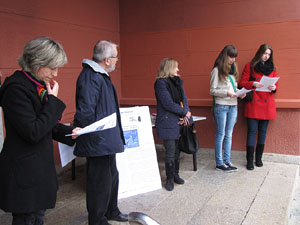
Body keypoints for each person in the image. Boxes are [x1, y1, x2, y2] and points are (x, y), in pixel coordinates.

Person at [0, 36, 80, 225]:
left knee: (37, 218)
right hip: (24, 173)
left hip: (37, 170)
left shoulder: (36, 85)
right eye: (52, 68)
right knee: (27, 219)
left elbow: (46, 125)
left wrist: (70, 133)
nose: (56, 74)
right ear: (36, 63)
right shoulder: (16, 89)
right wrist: (52, 101)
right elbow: (33, 131)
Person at [73, 40, 128, 225]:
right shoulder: (91, 77)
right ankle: (97, 219)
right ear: (106, 59)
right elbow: (85, 111)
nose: (116, 61)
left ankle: (112, 211)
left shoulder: (99, 75)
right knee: (99, 183)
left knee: (111, 176)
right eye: (115, 58)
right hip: (98, 140)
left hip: (106, 138)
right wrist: (85, 131)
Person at [154, 58, 192, 191]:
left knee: (177, 150)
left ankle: (176, 174)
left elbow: (184, 99)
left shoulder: (177, 82)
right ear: (169, 68)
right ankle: (169, 178)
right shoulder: (160, 83)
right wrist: (184, 112)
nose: (178, 70)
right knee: (170, 151)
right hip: (168, 122)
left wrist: (186, 113)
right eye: (176, 67)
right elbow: (167, 103)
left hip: (180, 120)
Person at [239, 44, 278, 170]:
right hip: (254, 103)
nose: (266, 56)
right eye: (265, 53)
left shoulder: (272, 68)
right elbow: (242, 83)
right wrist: (253, 83)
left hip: (267, 104)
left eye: (268, 54)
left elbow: (276, 84)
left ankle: (259, 159)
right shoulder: (250, 66)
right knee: (252, 131)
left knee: (263, 132)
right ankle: (249, 161)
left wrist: (274, 88)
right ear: (259, 53)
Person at [210, 45, 245, 172]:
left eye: (235, 57)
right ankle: (219, 163)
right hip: (222, 105)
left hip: (233, 105)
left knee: (229, 135)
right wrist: (226, 93)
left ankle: (227, 161)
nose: (233, 60)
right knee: (221, 134)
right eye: (231, 57)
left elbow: (233, 89)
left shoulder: (233, 70)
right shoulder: (216, 70)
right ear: (225, 56)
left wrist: (241, 93)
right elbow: (212, 90)